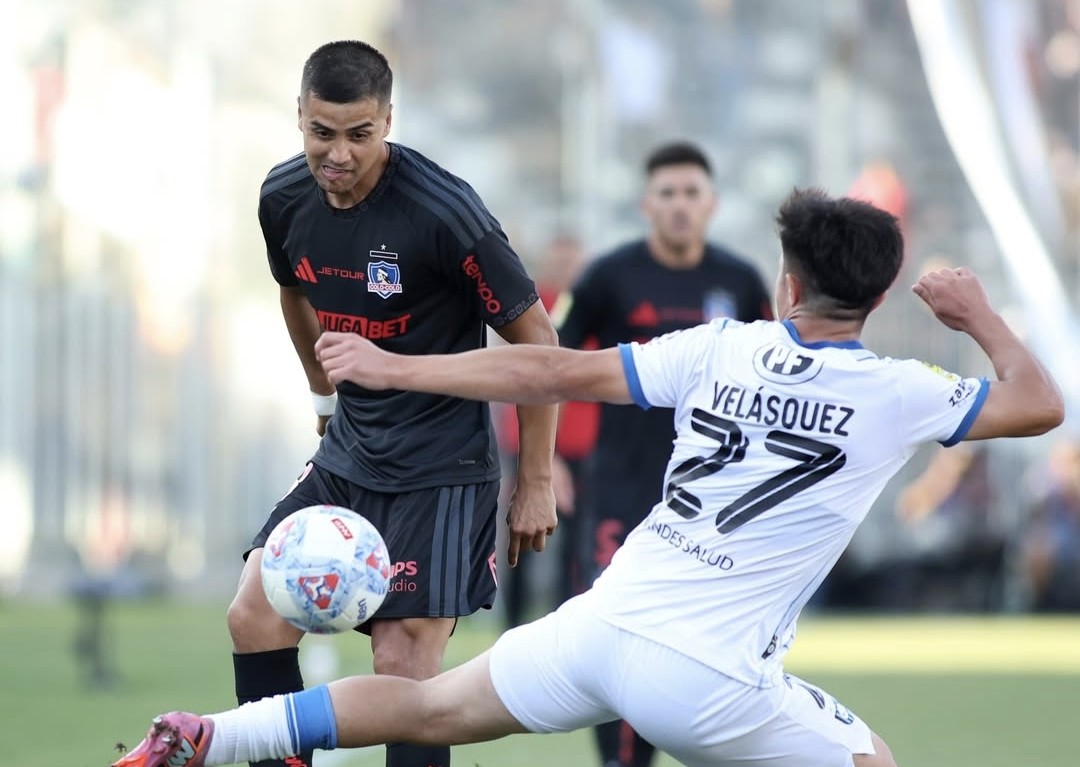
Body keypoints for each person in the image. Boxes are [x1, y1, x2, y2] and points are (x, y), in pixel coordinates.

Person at [112, 188, 1063, 767]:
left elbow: (552, 370)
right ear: (881, 294)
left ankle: (211, 734)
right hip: (708, 675)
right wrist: (975, 312)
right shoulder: (899, 390)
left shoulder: (720, 351)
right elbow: (1038, 403)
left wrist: (398, 366)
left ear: (785, 284)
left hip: (605, 623)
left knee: (430, 708)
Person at [219, 40, 559, 767]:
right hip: (350, 452)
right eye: (322, 132)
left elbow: (539, 340)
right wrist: (321, 392)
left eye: (359, 134)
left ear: (388, 122)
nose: (338, 154)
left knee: (403, 665)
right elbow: (292, 287)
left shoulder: (445, 213)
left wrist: (533, 480)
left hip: (442, 467)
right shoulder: (282, 198)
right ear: (301, 118)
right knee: (253, 614)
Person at [559, 140, 772, 767]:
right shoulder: (606, 277)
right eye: (668, 194)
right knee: (617, 635)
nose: (680, 206)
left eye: (691, 193)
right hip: (620, 488)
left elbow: (774, 376)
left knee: (692, 640)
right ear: (646, 204)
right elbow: (552, 362)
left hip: (709, 500)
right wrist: (541, 465)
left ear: (713, 204)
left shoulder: (739, 282)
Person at [495, 234, 599, 627]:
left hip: (585, 447)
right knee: (522, 534)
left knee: (577, 544)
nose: (569, 269)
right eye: (561, 260)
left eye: (575, 261)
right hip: (531, 442)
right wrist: (545, 455)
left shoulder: (594, 303)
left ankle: (564, 627)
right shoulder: (533, 305)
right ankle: (512, 629)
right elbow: (533, 375)